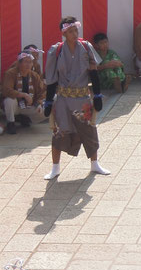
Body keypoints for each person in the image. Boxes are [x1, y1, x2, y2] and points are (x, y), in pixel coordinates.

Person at [42, 18, 110, 181]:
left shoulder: (86, 47)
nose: (74, 34)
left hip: (82, 98)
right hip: (64, 99)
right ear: (64, 33)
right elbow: (51, 79)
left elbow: (93, 72)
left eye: (75, 30)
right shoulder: (56, 50)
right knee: (59, 131)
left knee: (88, 129)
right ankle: (55, 167)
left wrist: (98, 95)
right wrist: (49, 101)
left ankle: (95, 163)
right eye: (70, 31)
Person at [1, 52, 47, 134]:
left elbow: (42, 92)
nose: (28, 64)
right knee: (9, 100)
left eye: (30, 62)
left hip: (28, 106)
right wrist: (24, 95)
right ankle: (11, 123)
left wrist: (40, 103)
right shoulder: (11, 73)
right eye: (26, 62)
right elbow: (6, 90)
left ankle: (25, 118)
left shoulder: (34, 75)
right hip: (15, 106)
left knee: (49, 105)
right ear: (19, 63)